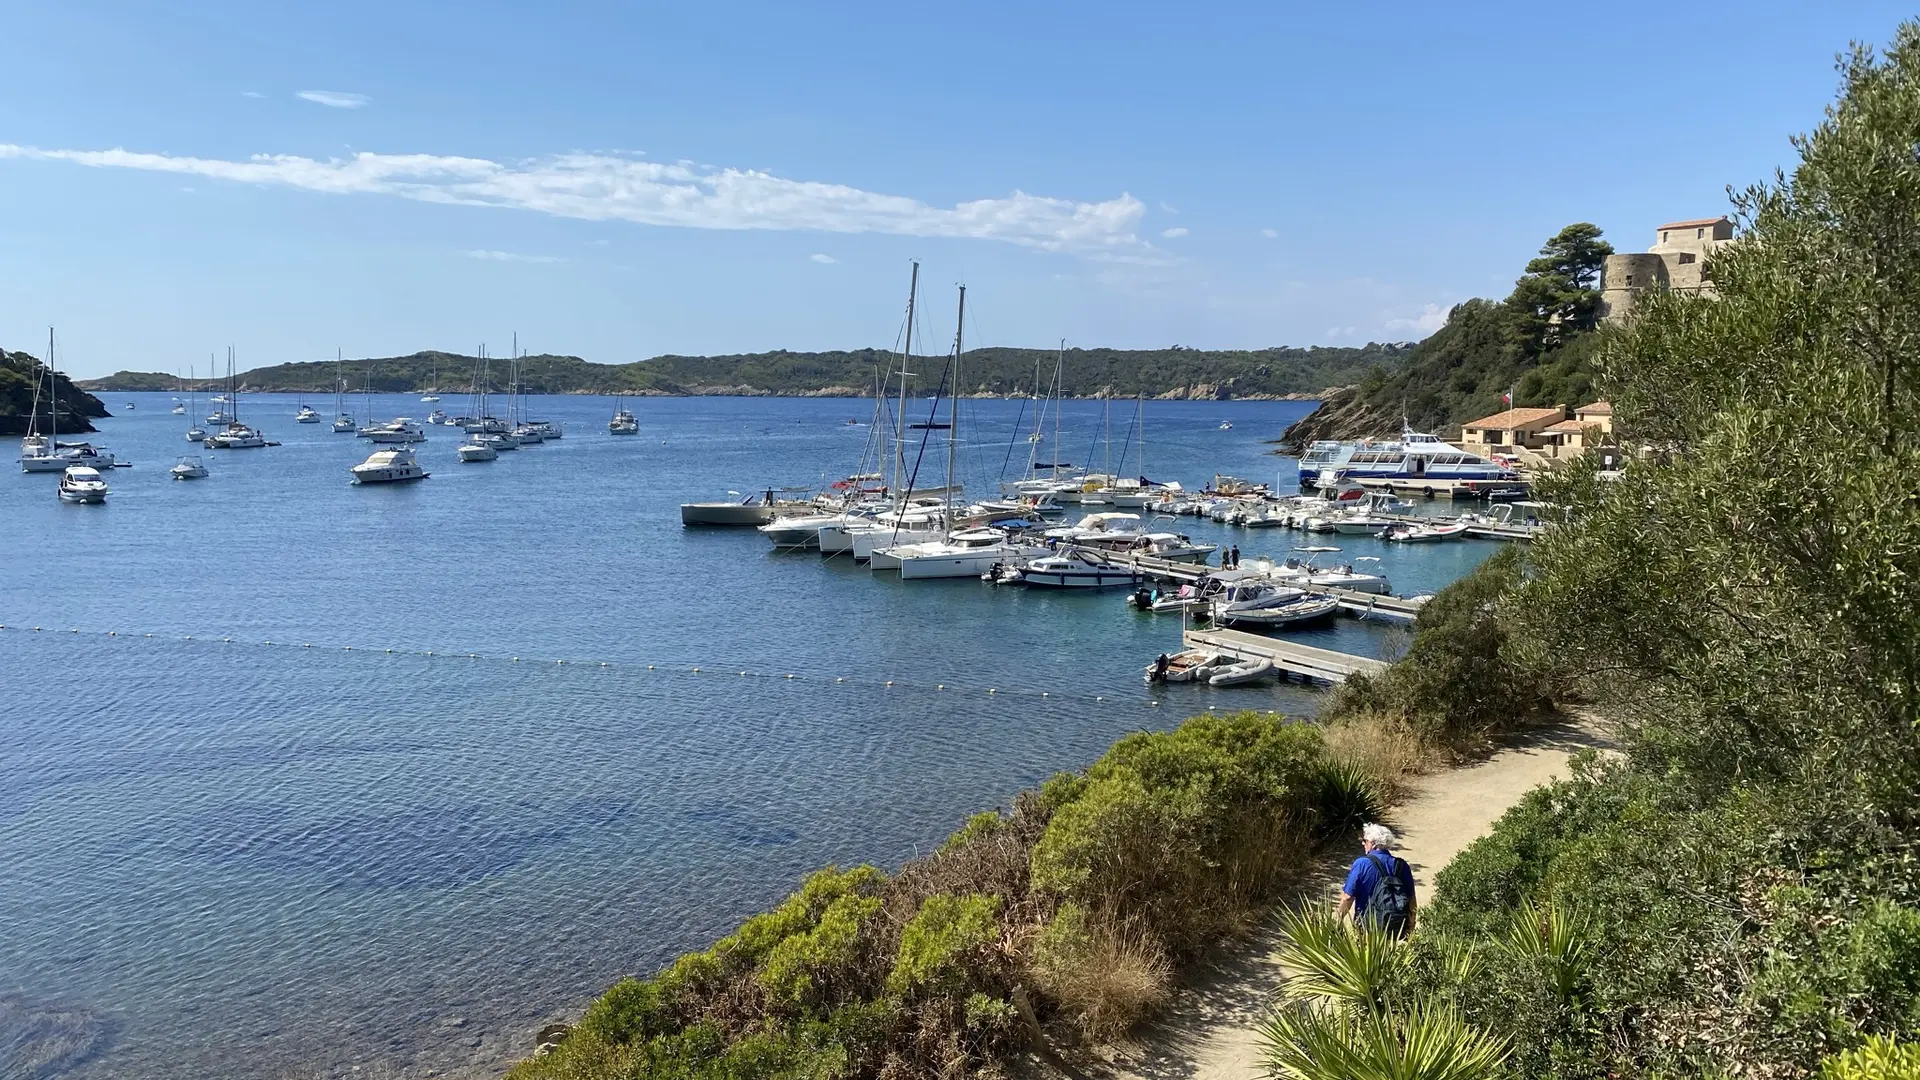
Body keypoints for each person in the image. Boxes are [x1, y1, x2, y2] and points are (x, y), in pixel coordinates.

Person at [1335, 823, 1416, 938]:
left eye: (1365, 840)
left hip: (1366, 929)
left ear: (1373, 844)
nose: (1363, 843)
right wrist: (1411, 927)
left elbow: (1347, 898)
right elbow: (1411, 899)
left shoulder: (1362, 864)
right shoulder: (1401, 865)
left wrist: (1337, 922)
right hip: (1394, 929)